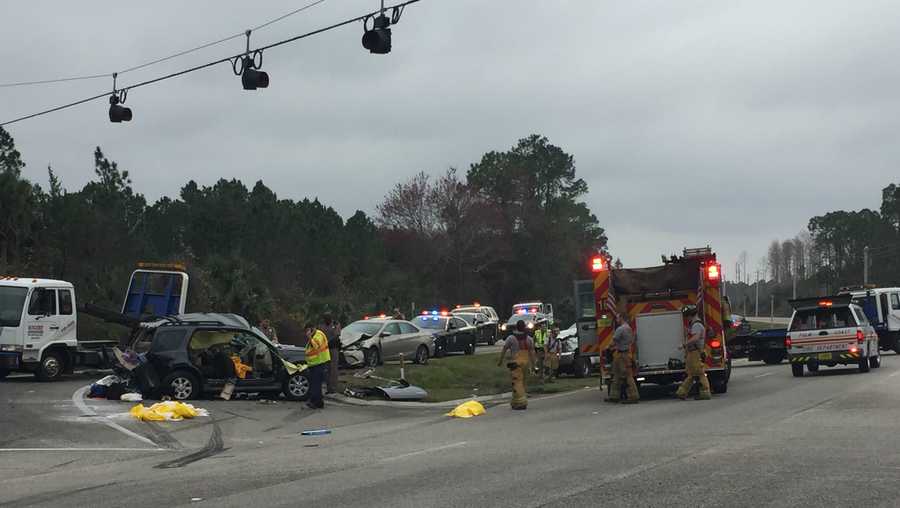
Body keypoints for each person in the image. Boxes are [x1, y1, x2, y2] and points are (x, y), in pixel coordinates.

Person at [497, 320, 537, 410]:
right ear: (524, 327)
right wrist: (534, 365)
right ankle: (516, 402)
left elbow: (504, 349)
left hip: (515, 364)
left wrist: (500, 361)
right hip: (525, 363)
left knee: (516, 383)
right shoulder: (529, 339)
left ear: (516, 327)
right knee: (522, 383)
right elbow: (532, 353)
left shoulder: (511, 338)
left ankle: (520, 403)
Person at [675, 305, 711, 401]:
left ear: (691, 315)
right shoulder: (694, 324)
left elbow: (696, 337)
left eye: (687, 316)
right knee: (691, 373)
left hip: (695, 352)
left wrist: (684, 345)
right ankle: (682, 392)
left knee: (699, 373)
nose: (686, 318)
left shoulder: (696, 325)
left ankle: (705, 392)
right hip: (693, 352)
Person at [605, 316, 640, 404]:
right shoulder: (629, 329)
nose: (616, 320)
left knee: (627, 376)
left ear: (621, 318)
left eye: (617, 318)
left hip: (622, 356)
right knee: (616, 375)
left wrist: (608, 347)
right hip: (624, 354)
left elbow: (614, 341)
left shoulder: (620, 329)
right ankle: (614, 396)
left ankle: (633, 396)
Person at [304, 322, 331, 409]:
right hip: (314, 363)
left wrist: (309, 337)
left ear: (312, 328)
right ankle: (317, 402)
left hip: (320, 363)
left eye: (308, 330)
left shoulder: (319, 335)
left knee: (316, 384)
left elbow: (316, 346)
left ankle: (316, 403)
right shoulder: (314, 336)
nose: (307, 332)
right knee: (315, 384)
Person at [322, 313, 342, 394]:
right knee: (326, 369)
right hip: (325, 349)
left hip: (333, 348)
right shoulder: (322, 325)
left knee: (333, 369)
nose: (327, 320)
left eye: (328, 318)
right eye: (325, 319)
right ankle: (328, 388)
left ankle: (333, 388)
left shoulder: (336, 324)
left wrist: (328, 342)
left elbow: (336, 335)